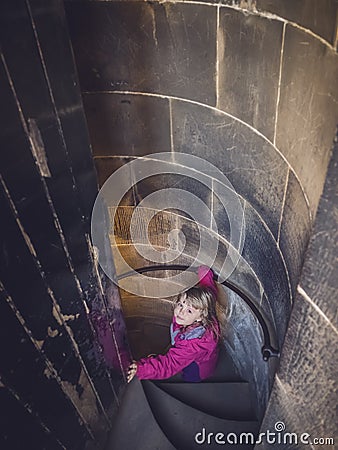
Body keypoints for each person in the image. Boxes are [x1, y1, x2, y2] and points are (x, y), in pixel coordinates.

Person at [127, 266, 220, 383]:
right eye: (180, 304)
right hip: (196, 355)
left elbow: (169, 365)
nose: (181, 312)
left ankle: (190, 380)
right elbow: (209, 287)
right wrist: (204, 273)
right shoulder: (205, 308)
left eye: (189, 311)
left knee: (188, 374)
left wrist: (141, 369)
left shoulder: (193, 344)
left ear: (201, 317)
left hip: (197, 369)